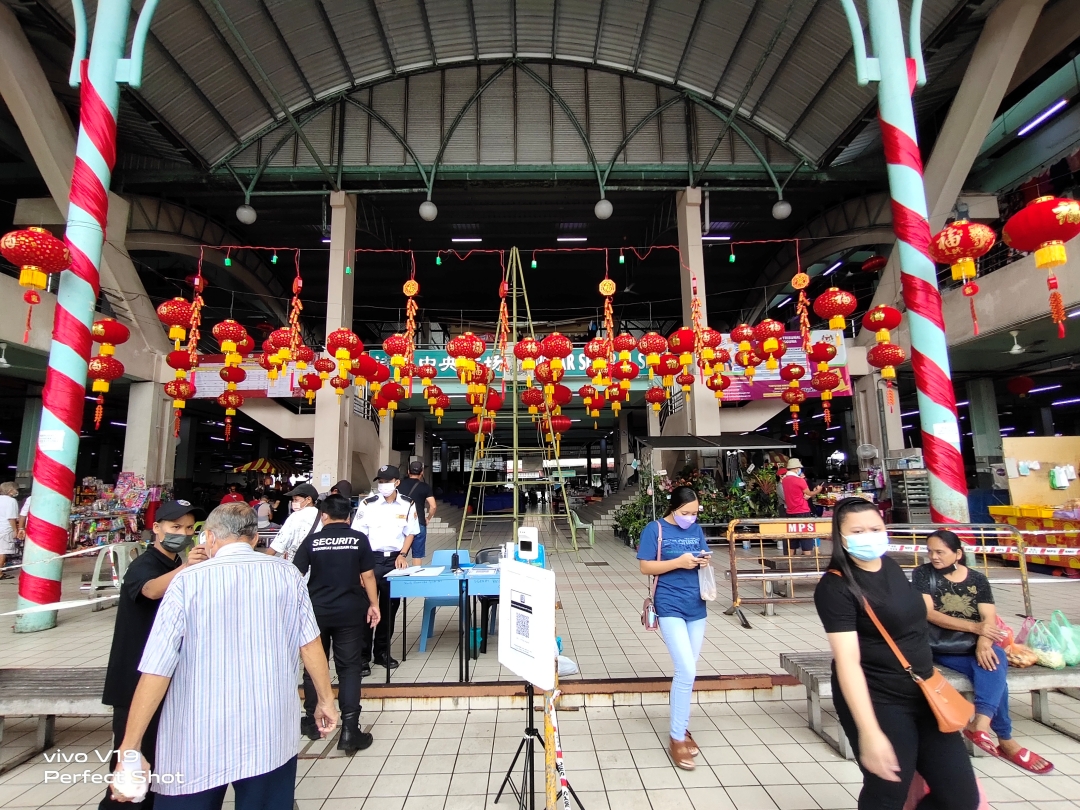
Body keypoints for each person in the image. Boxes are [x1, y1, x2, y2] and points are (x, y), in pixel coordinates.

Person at [111, 504, 338, 809]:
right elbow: (310, 645)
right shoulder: (287, 576)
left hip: (196, 736)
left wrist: (130, 746)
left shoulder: (186, 583)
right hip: (268, 730)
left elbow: (157, 668)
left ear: (209, 538)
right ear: (256, 537)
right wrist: (326, 700)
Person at [814, 497, 979, 810]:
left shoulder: (889, 566)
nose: (869, 536)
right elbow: (847, 663)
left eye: (875, 528)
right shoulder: (835, 588)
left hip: (926, 693)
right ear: (841, 536)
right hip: (880, 701)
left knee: (960, 798)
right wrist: (869, 732)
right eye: (858, 531)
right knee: (888, 793)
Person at [913, 529, 1053, 774]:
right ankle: (1005, 738)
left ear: (957, 553)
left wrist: (983, 641)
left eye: (940, 552)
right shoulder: (923, 574)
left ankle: (981, 724)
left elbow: (988, 616)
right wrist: (975, 628)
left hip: (971, 646)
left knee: (993, 661)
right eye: (930, 551)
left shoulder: (977, 579)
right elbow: (929, 613)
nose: (934, 557)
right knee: (995, 674)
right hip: (938, 646)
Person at [99, 500, 207, 810]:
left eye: (188, 528)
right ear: (156, 528)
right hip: (135, 681)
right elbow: (150, 590)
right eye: (175, 527)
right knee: (130, 769)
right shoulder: (144, 564)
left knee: (156, 767)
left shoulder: (173, 564)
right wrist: (188, 566)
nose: (182, 534)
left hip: (161, 678)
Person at [293, 495, 380, 750]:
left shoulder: (312, 541)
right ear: (349, 517)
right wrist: (374, 605)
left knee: (313, 666)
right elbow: (368, 576)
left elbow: (295, 574)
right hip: (351, 611)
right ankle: (350, 731)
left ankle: (312, 721)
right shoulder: (358, 540)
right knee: (349, 668)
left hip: (316, 612)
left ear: (324, 516)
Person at [635, 486, 712, 771]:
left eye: (694, 513)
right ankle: (677, 738)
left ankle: (681, 726)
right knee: (686, 670)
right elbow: (645, 567)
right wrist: (678, 562)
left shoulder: (697, 529)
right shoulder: (654, 530)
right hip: (669, 604)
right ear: (673, 508)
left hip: (697, 604)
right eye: (685, 513)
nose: (690, 518)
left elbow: (703, 554)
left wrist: (702, 560)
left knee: (688, 672)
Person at [351, 465, 419, 670]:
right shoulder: (368, 504)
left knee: (389, 610)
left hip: (393, 562)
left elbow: (411, 532)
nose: (383, 485)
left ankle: (381, 652)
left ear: (397, 482)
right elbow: (359, 535)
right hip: (370, 560)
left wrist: (403, 554)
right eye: (380, 481)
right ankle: (363, 657)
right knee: (367, 609)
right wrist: (358, 566)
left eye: (387, 481)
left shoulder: (407, 504)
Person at [397, 461, 436, 565]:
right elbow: (433, 506)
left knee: (398, 552)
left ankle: (397, 576)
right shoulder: (425, 487)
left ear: (408, 471)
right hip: (418, 522)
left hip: (401, 522)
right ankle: (415, 577)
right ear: (422, 472)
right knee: (417, 555)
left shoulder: (399, 484)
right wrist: (428, 518)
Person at [268, 483, 320, 561]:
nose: (293, 502)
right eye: (293, 500)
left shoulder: (295, 516)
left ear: (308, 499)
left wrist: (265, 558)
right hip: (316, 561)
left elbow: (280, 542)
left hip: (297, 562)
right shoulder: (322, 515)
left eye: (296, 499)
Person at [780, 459, 822, 555]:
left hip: (790, 512)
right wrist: (818, 490)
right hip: (802, 511)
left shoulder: (785, 480)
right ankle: (807, 564)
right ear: (796, 469)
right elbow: (809, 493)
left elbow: (796, 493)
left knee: (792, 538)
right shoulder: (800, 480)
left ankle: (789, 562)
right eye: (799, 468)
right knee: (806, 539)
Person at [0, 482, 20, 580]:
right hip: (5, 529)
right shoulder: (11, 501)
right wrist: (15, 530)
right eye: (16, 489)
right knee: (2, 551)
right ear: (10, 490)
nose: (17, 491)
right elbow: (11, 517)